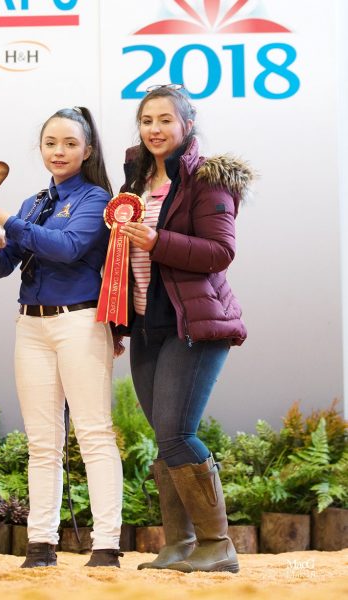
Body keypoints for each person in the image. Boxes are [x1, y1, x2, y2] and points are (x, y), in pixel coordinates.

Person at [115, 84, 253, 573]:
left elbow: (220, 252)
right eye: (146, 120)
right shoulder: (134, 180)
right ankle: (179, 544)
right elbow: (121, 259)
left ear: (187, 125)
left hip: (193, 323)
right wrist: (117, 321)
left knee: (177, 433)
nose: (154, 129)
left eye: (165, 120)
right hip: (145, 325)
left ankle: (218, 546)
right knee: (165, 438)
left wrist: (157, 240)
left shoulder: (208, 180)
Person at [0, 107, 124, 568]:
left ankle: (106, 545)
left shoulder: (96, 198)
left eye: (69, 143)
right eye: (50, 143)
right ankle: (41, 544)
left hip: (79, 321)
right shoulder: (34, 203)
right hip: (31, 324)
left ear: (88, 150)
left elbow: (68, 249)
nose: (58, 151)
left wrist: (6, 220)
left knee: (94, 433)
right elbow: (3, 268)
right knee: (42, 441)